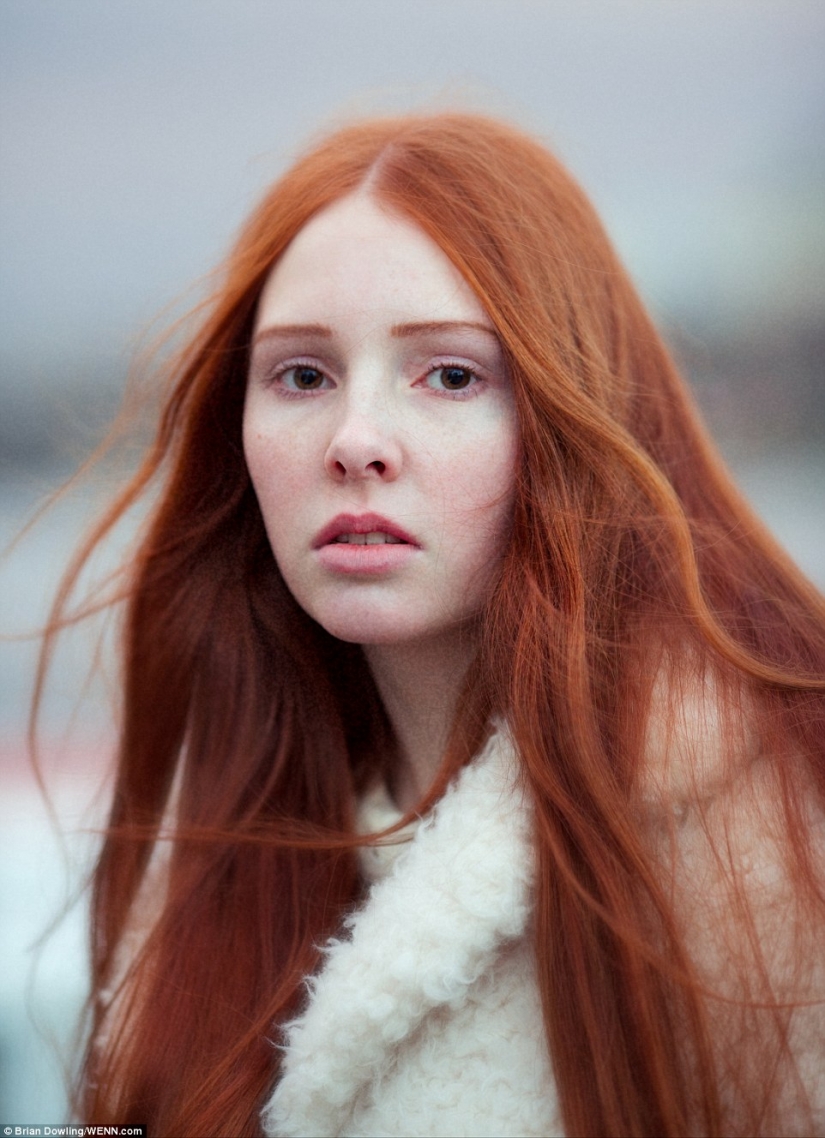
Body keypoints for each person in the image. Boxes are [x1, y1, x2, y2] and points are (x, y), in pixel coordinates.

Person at [45, 112, 825, 1137]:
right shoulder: (219, 842)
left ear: (568, 414)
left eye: (450, 374)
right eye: (303, 375)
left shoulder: (764, 844)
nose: (355, 439)